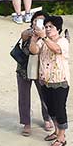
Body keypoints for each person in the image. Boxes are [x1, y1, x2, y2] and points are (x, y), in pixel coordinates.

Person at [36, 14, 72, 146]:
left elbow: (57, 50)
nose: (48, 29)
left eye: (50, 27)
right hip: (45, 81)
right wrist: (34, 39)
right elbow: (34, 51)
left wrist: (44, 37)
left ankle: (62, 137)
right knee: (50, 108)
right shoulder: (42, 41)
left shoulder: (62, 41)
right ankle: (56, 131)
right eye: (46, 27)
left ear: (58, 29)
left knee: (59, 108)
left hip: (60, 81)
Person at [14, 9, 50, 137]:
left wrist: (43, 35)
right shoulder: (28, 32)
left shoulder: (48, 34)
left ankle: (47, 118)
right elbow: (22, 36)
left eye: (41, 21)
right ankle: (26, 123)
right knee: (24, 96)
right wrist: (32, 33)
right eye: (36, 20)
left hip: (41, 69)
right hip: (24, 69)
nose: (38, 22)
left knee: (45, 95)